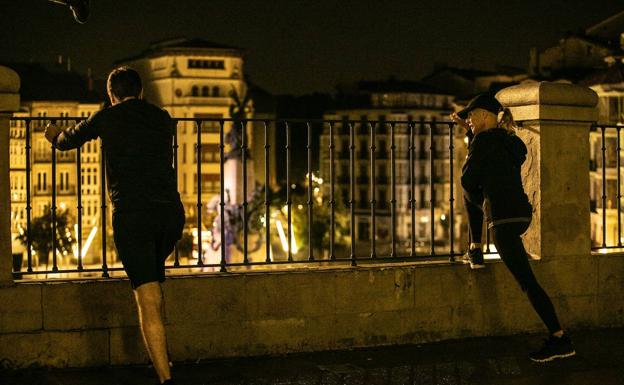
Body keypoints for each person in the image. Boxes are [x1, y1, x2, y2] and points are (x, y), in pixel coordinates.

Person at [45, 66, 183, 385]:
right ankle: (164, 353)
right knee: (154, 285)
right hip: (170, 214)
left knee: (148, 296)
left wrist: (52, 133)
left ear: (111, 95)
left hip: (134, 215)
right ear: (142, 91)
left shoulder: (106, 117)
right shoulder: (161, 117)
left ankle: (166, 379)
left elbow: (66, 141)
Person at [450, 93, 576, 363]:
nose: (468, 121)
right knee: (474, 190)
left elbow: (469, 179)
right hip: (521, 213)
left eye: (471, 116)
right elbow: (495, 154)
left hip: (503, 220)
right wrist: (474, 134)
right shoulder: (509, 141)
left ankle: (559, 337)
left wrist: (473, 142)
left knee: (528, 283)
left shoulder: (483, 142)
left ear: (484, 116)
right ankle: (475, 250)